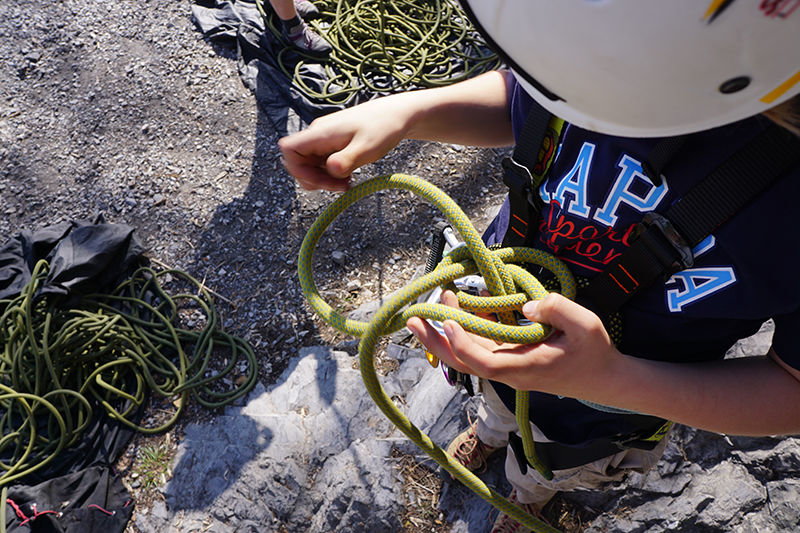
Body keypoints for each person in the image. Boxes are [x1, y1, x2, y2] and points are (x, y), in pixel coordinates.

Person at [280, 2, 800, 531]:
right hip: (499, 340)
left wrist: (614, 379)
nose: (587, 79)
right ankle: (490, 432)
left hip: (596, 416)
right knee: (497, 406)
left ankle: (532, 495)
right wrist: (411, 112)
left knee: (551, 465)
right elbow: (522, 98)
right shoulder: (587, 50)